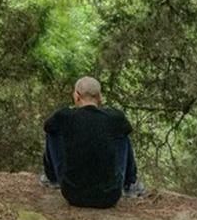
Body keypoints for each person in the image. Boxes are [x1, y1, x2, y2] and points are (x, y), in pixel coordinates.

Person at [40, 76, 146, 208]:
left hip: (73, 194)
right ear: (99, 97)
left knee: (52, 131)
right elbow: (126, 130)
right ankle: (130, 184)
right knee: (122, 135)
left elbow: (47, 127)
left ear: (77, 96)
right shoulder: (114, 117)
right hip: (109, 197)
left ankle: (52, 179)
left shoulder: (64, 116)